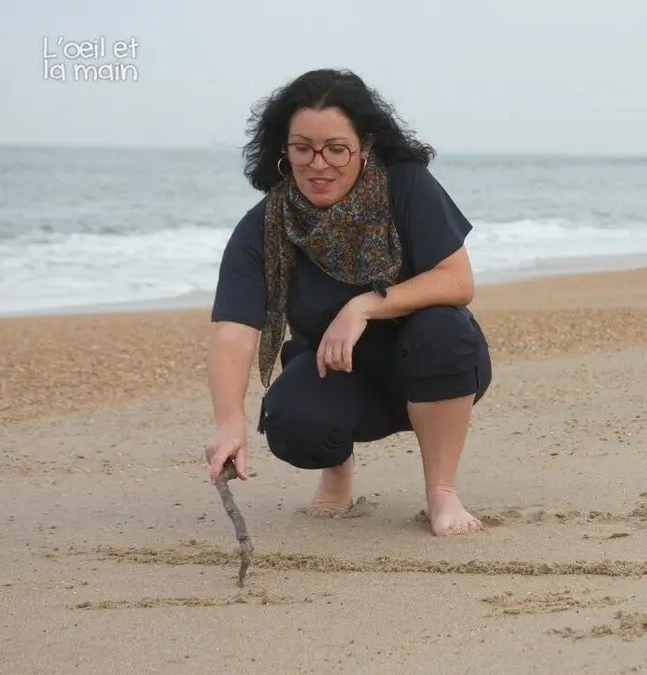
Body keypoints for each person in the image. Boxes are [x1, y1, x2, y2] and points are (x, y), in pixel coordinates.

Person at [203, 68, 492, 537]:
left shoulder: (405, 185)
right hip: (339, 375)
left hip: (435, 368)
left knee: (443, 328)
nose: (319, 163)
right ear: (283, 150)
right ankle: (336, 469)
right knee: (291, 422)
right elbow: (235, 329)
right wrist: (228, 422)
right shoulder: (264, 226)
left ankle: (442, 491)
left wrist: (364, 305)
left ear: (366, 146)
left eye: (336, 148)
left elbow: (457, 281)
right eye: (303, 148)